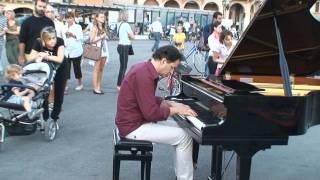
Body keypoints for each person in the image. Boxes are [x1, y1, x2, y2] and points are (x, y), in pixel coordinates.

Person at [115, 45, 197, 180]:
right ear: (164, 61)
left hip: (135, 121)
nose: (171, 72)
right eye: (172, 68)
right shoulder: (144, 75)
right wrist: (175, 110)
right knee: (184, 136)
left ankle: (182, 176)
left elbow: (146, 98)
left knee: (185, 129)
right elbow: (151, 113)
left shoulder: (144, 68)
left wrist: (169, 103)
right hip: (132, 127)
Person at [29, 26, 67, 128]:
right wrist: (39, 55)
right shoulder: (38, 42)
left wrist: (45, 56)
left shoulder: (60, 41)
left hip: (61, 69)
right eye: (49, 39)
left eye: (53, 38)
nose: (53, 41)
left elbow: (59, 59)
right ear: (43, 39)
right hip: (46, 69)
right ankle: (45, 117)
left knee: (59, 94)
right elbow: (31, 57)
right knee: (43, 93)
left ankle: (54, 118)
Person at [18, 0, 54, 64]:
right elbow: (22, 41)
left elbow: (53, 38)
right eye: (40, 6)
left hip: (45, 55)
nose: (42, 9)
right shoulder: (27, 22)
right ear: (35, 6)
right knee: (31, 73)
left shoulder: (50, 22)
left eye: (44, 7)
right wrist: (21, 55)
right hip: (29, 55)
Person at [63, 12, 84, 92]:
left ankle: (80, 83)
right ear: (65, 19)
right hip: (66, 51)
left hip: (76, 51)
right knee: (66, 69)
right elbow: (62, 37)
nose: (69, 19)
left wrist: (73, 35)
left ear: (73, 18)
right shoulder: (64, 27)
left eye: (71, 18)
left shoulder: (78, 27)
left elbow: (81, 37)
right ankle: (65, 85)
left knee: (77, 68)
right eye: (67, 18)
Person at [89, 12, 109, 94]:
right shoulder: (94, 27)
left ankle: (98, 86)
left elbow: (105, 37)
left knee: (101, 69)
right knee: (96, 69)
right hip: (97, 49)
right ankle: (95, 88)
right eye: (101, 17)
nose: (103, 18)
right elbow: (91, 40)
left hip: (104, 50)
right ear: (96, 18)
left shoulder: (103, 27)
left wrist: (105, 37)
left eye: (103, 17)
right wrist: (102, 36)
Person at [116, 10, 134, 91]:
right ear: (124, 16)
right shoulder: (126, 24)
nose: (128, 16)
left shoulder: (118, 24)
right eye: (127, 15)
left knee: (122, 66)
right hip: (124, 46)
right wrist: (131, 35)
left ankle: (120, 84)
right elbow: (132, 36)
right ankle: (119, 85)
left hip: (120, 45)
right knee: (123, 67)